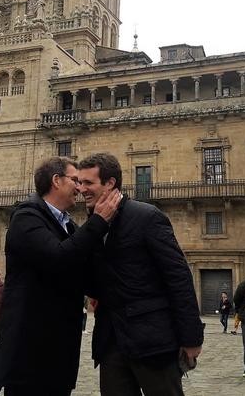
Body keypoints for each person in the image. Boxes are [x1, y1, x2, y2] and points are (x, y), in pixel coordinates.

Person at [78, 152, 204, 396]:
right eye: (80, 183)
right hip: (111, 340)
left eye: (88, 183)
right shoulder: (92, 224)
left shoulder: (147, 217)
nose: (81, 189)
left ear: (110, 183)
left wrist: (191, 337)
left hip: (152, 339)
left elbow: (178, 277)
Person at [0, 157, 120, 396]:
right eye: (75, 180)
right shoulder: (27, 218)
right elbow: (58, 258)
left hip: (58, 350)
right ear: (56, 181)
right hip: (30, 352)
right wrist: (98, 221)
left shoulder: (68, 226)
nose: (80, 188)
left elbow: (79, 268)